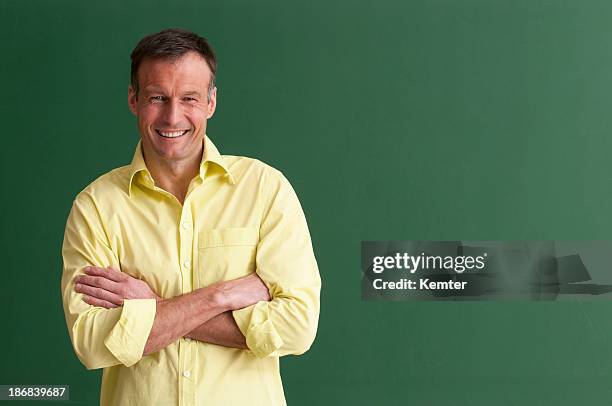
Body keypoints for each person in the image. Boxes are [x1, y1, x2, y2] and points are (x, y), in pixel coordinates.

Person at [60, 28, 321, 406]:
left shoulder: (265, 190)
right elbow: (92, 340)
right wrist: (222, 295)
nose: (172, 115)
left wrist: (150, 306)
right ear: (134, 99)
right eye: (157, 97)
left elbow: (297, 327)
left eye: (189, 98)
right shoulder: (96, 207)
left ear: (211, 102)